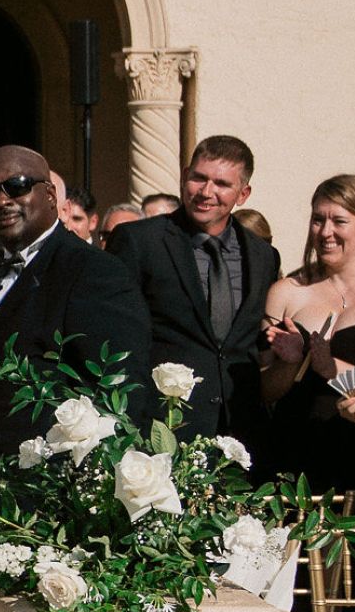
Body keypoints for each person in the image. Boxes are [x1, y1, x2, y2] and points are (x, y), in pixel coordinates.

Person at [0, 148, 152, 472]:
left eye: (16, 186)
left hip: (52, 490)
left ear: (49, 195)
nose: (1, 201)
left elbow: (122, 396)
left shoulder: (91, 271)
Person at [109, 135, 279, 460]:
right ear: (185, 175)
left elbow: (249, 343)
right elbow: (118, 335)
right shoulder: (139, 241)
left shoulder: (263, 256)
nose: (206, 191)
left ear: (243, 194)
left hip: (239, 435)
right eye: (199, 178)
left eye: (222, 184)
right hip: (161, 431)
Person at [262, 174, 355, 494]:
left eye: (339, 221)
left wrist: (333, 369)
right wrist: (289, 362)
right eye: (318, 220)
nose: (325, 232)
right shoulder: (287, 291)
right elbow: (265, 392)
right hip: (297, 455)